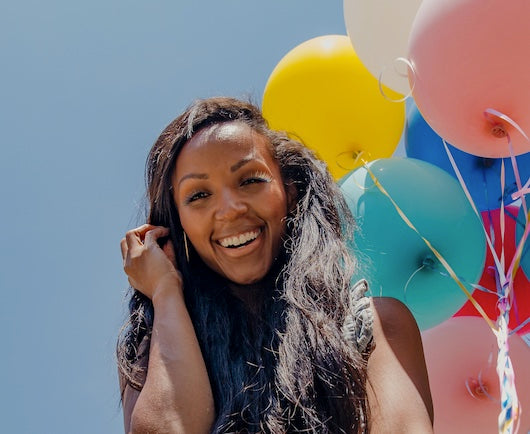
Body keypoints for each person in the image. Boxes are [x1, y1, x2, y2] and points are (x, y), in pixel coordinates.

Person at [117, 97, 434, 433]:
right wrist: (166, 291)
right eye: (198, 196)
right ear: (177, 228)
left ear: (290, 192)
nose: (229, 209)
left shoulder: (376, 327)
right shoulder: (150, 351)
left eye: (250, 180)